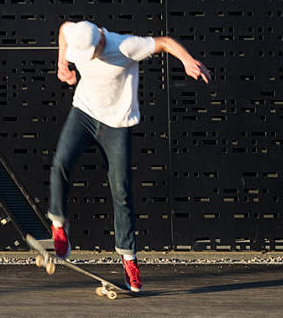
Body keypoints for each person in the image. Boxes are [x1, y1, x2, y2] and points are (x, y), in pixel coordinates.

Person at [47, 19, 211, 292]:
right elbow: (63, 28)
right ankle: (58, 223)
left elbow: (164, 43)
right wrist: (62, 64)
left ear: (100, 39)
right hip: (84, 113)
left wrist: (187, 60)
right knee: (60, 163)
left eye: (93, 52)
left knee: (121, 191)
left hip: (117, 123)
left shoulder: (125, 46)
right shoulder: (77, 36)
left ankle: (128, 259)